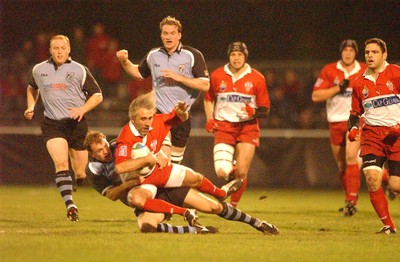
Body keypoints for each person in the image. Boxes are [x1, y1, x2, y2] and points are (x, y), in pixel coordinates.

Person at [84, 130, 279, 235]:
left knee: (213, 207)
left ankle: (258, 223)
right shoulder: (93, 170)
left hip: (162, 185)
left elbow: (150, 141)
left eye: (104, 146)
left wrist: (159, 152)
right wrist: (128, 184)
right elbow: (110, 195)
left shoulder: (120, 146)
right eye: (99, 151)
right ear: (91, 154)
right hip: (147, 198)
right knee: (146, 227)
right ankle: (193, 229)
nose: (105, 151)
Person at [114, 91, 243, 227]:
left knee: (196, 178)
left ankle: (221, 193)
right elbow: (119, 167)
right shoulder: (126, 136)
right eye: (143, 119)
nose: (148, 123)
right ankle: (184, 212)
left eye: (149, 118)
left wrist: (182, 112)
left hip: (158, 171)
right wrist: (146, 159)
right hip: (140, 181)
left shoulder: (158, 121)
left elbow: (179, 117)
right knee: (136, 199)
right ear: (132, 120)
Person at [24, 35, 103, 222]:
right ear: (50, 50)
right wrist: (31, 106)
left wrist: (82, 109)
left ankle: (80, 181)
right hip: (53, 124)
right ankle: (70, 205)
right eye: (55, 48)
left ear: (69, 50)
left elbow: (97, 95)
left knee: (81, 172)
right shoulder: (39, 69)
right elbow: (31, 88)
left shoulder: (79, 70)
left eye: (62, 48)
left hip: (76, 124)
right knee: (61, 164)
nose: (59, 51)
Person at [116, 16, 210, 164]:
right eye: (165, 33)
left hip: (181, 115)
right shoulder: (154, 55)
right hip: (159, 114)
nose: (168, 37)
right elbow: (139, 74)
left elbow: (205, 85)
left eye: (172, 33)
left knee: (173, 165)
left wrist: (179, 78)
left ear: (179, 35)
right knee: (161, 158)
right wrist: (125, 62)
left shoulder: (192, 55)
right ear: (161, 35)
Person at [203, 42, 270, 207]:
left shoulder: (257, 78)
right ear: (229, 56)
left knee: (241, 171)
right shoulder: (218, 75)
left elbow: (265, 109)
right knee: (221, 172)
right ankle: (231, 171)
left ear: (245, 56)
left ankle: (233, 206)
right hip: (224, 126)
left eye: (240, 54)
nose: (236, 58)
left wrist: (253, 112)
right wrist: (210, 119)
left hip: (248, 127)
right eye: (233, 54)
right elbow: (208, 98)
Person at [347, 38, 400, 234]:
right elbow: (354, 113)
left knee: (396, 185)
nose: (369, 55)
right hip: (372, 136)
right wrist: (352, 129)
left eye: (374, 52)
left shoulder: (396, 74)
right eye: (367, 52)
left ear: (384, 55)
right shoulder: (360, 83)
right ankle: (388, 226)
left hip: (397, 136)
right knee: (371, 178)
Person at [311, 39, 367, 216]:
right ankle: (350, 198)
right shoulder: (329, 70)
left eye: (351, 50)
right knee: (342, 164)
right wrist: (337, 88)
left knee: (352, 157)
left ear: (355, 53)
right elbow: (315, 96)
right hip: (335, 122)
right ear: (341, 52)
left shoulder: (364, 70)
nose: (348, 53)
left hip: (357, 120)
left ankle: (351, 201)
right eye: (345, 50)